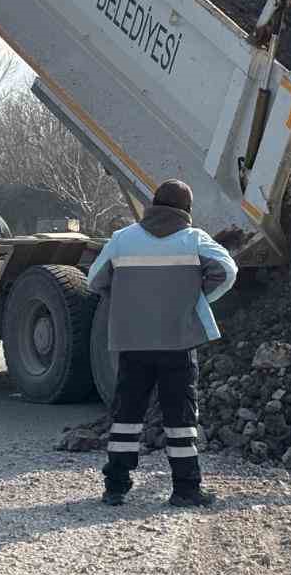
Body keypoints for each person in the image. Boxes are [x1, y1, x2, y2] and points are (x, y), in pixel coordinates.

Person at [86, 179, 238, 508]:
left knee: (127, 414)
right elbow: (227, 270)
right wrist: (195, 299)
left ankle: (115, 487)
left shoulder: (122, 240)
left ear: (152, 204)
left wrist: (128, 299)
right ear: (186, 211)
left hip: (133, 342)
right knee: (180, 418)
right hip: (178, 343)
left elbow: (94, 279)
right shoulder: (194, 239)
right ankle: (185, 490)